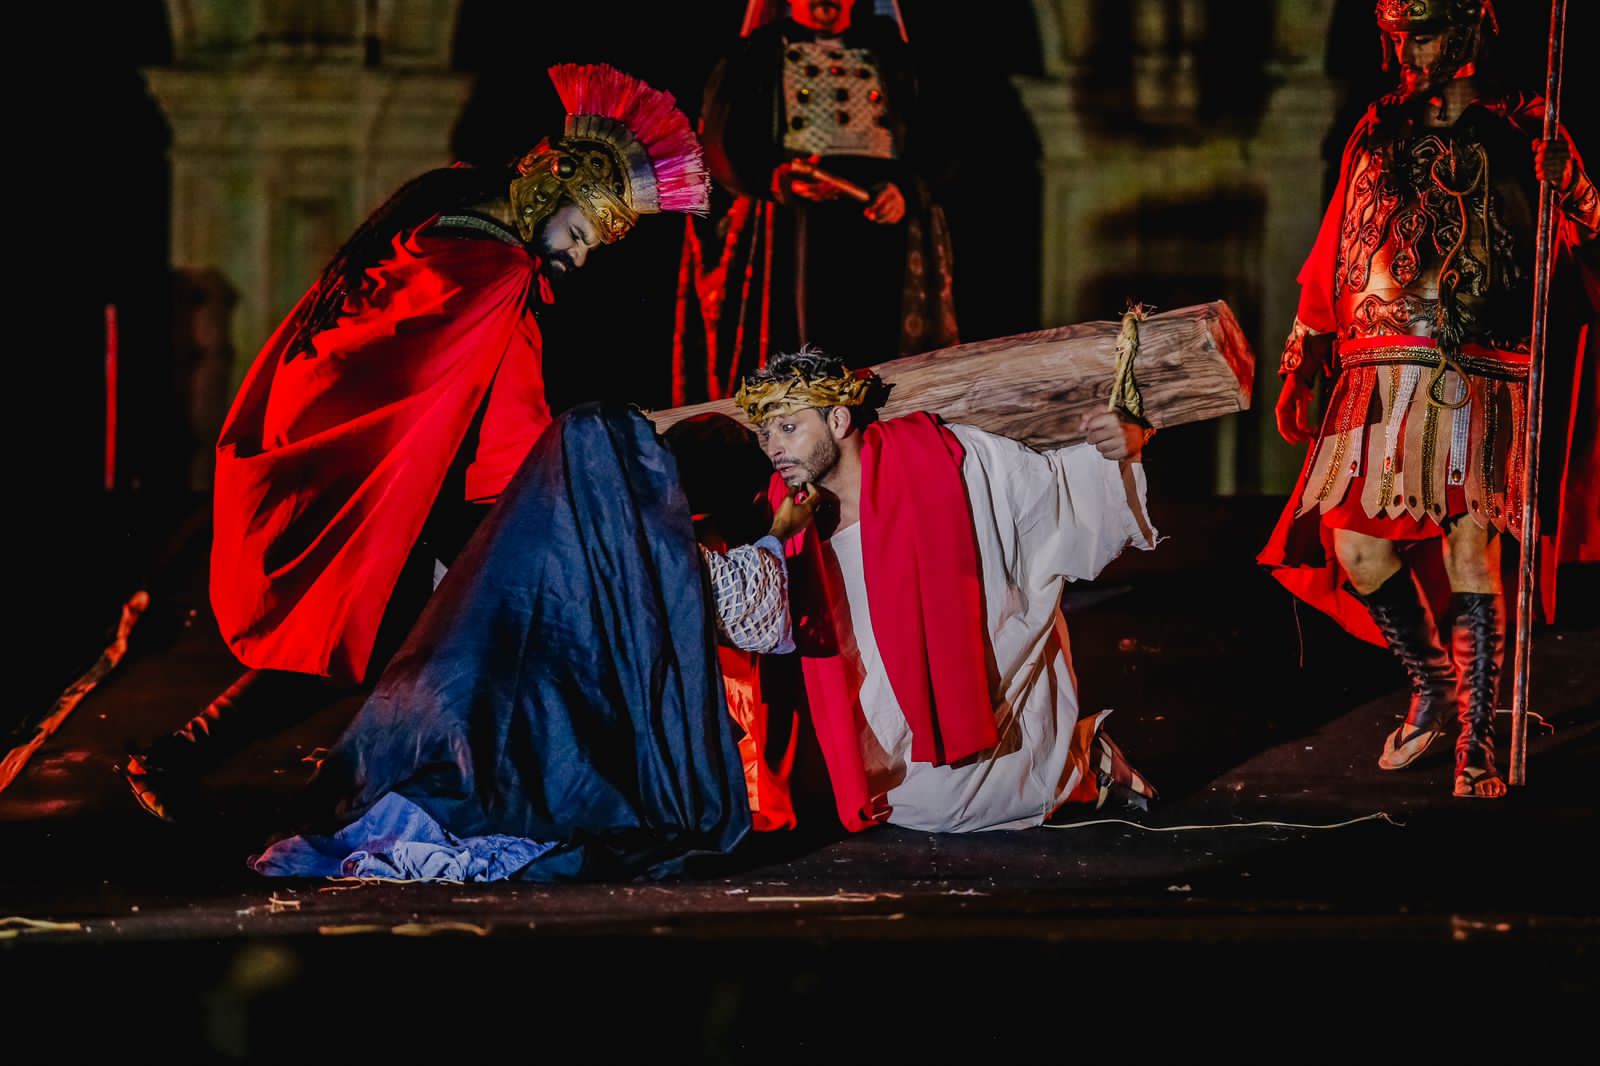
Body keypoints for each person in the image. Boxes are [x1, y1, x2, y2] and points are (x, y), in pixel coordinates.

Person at [125, 64, 713, 821]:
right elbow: (512, 427)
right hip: (420, 487)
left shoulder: (441, 219)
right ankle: (349, 778)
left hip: (400, 476)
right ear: (545, 193)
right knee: (443, 634)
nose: (578, 258)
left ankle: (208, 757)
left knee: (373, 636)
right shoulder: (497, 270)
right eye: (577, 234)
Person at [1259, 0, 1599, 798]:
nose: (1409, 50)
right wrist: (1305, 355)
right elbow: (1337, 243)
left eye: (1425, 33)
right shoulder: (1379, 125)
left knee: (1471, 547)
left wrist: (1575, 188)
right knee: (1355, 546)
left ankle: (1476, 740)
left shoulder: (1529, 126)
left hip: (1484, 367)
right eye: (1399, 36)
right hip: (1378, 365)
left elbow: (1589, 237)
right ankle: (1434, 682)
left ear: (1470, 29)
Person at [251, 404, 816, 882]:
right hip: (532, 749)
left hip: (451, 731)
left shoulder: (523, 531)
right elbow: (749, 614)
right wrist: (781, 531)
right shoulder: (633, 549)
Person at [734, 348, 1159, 834]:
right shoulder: (786, 512)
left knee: (956, 808)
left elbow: (1052, 490)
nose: (774, 448)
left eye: (788, 428)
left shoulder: (940, 460)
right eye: (765, 434)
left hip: (970, 681)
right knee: (878, 800)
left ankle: (1083, 761)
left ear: (838, 420)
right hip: (872, 711)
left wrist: (1122, 447)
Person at [673, 0, 957, 403]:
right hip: (794, 232)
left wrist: (907, 192)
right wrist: (773, 180)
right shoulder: (756, 55)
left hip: (883, 229)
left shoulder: (896, 56)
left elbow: (945, 142)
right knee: (805, 353)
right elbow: (720, 143)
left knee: (879, 346)